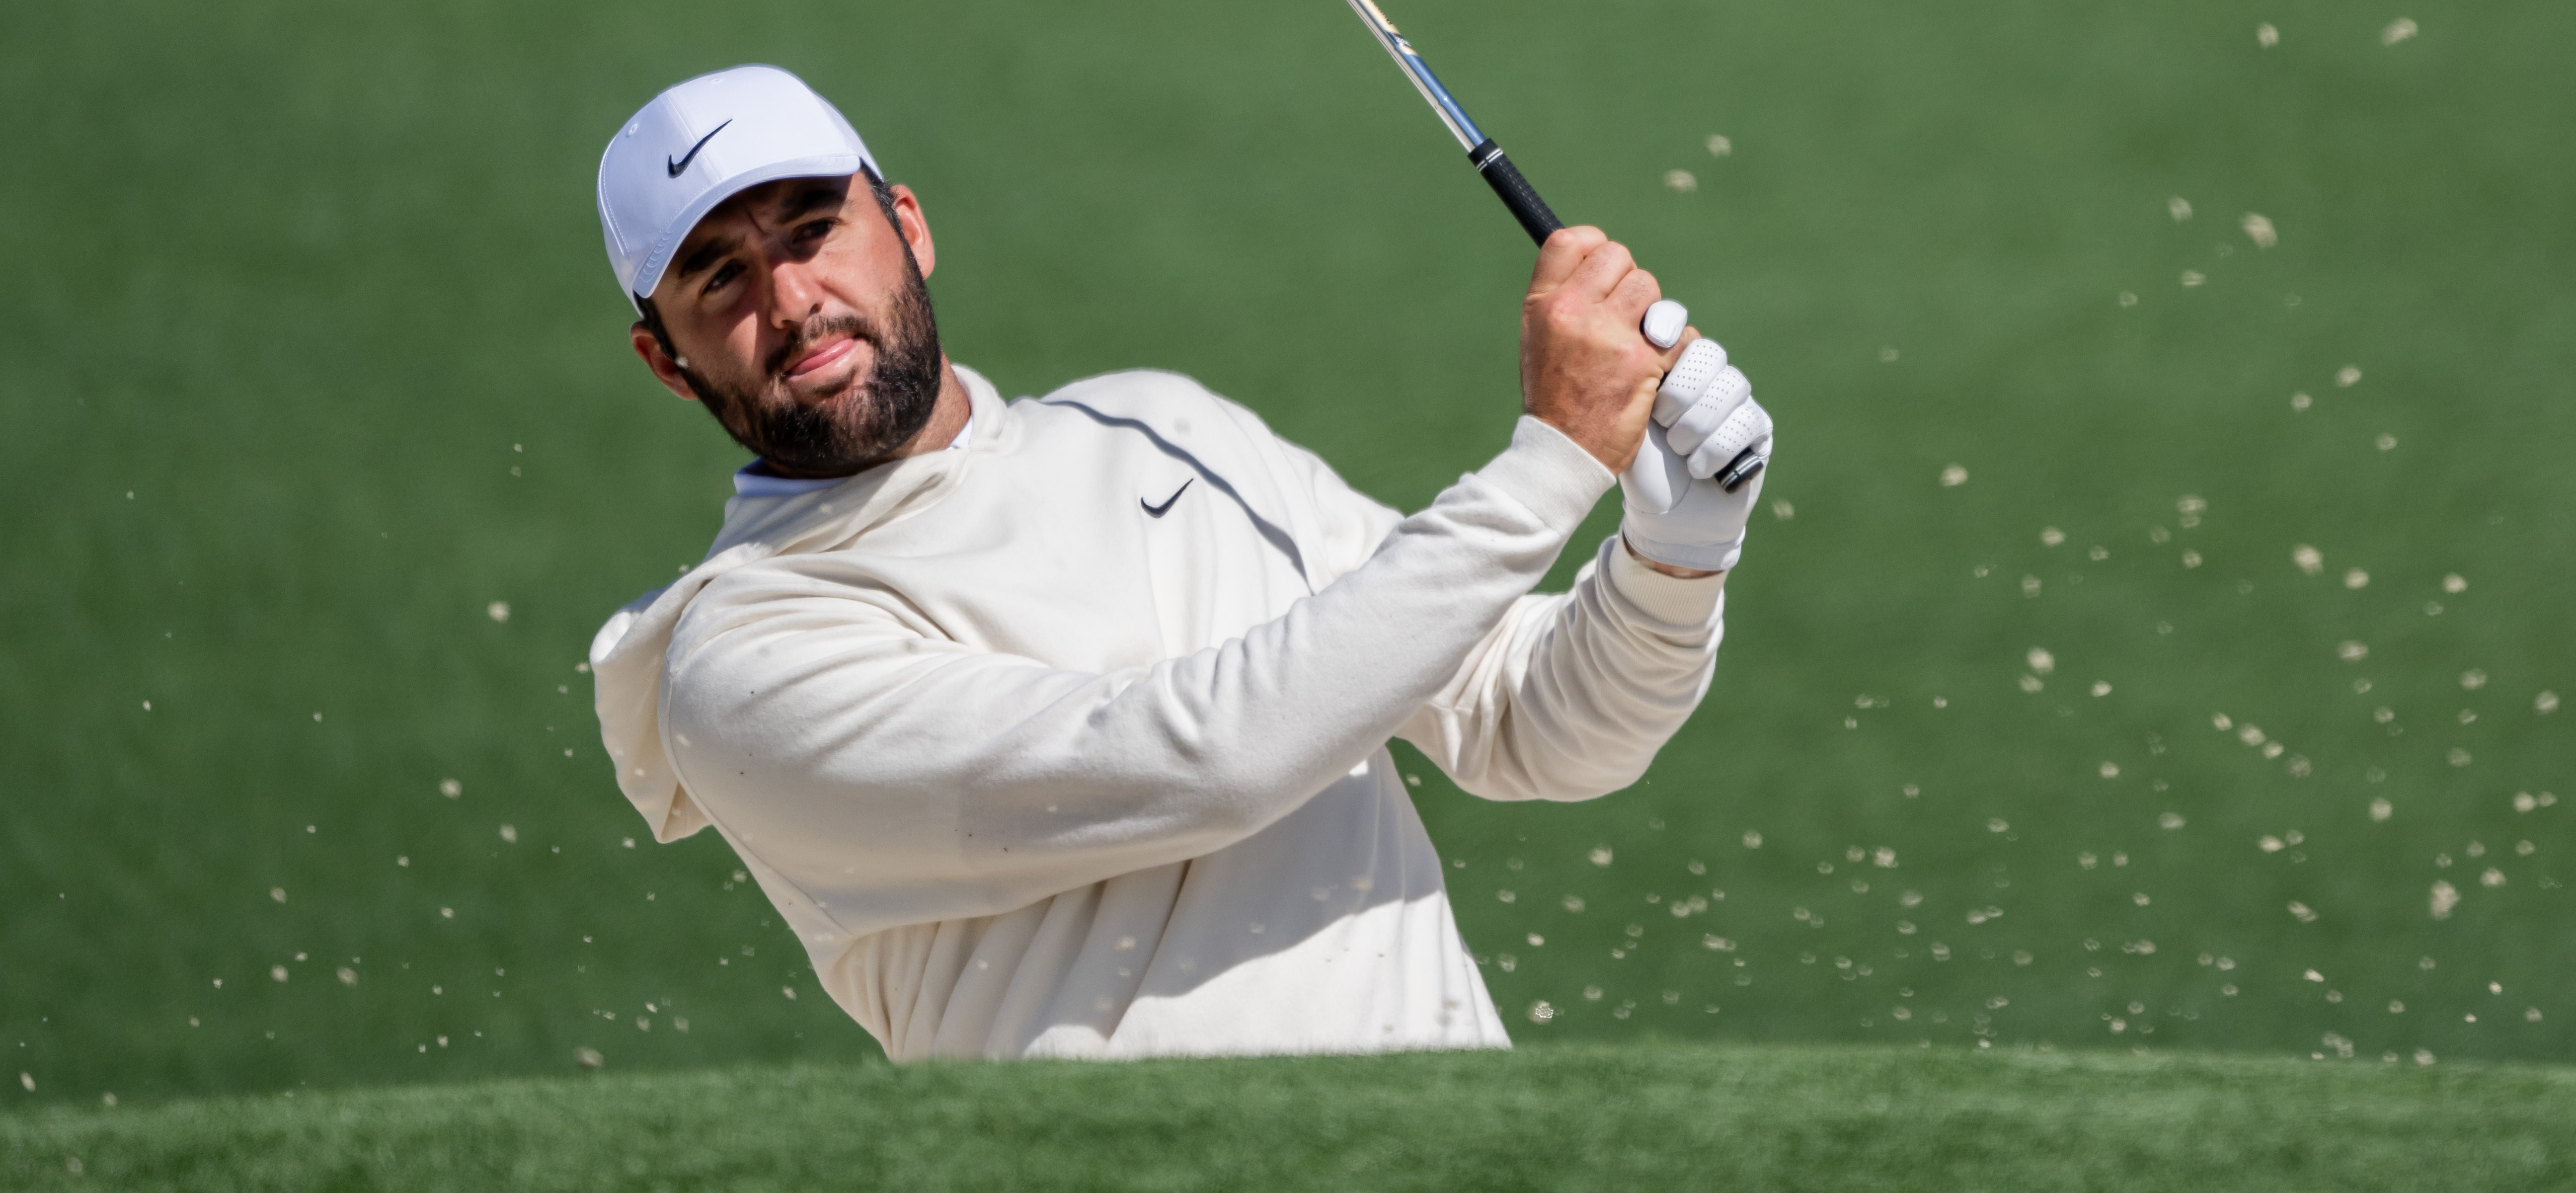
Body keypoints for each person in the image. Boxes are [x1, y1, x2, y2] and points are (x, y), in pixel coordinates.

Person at [585, 65, 1776, 1061]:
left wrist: (1674, 553)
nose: (794, 298)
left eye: (812, 230)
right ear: (661, 357)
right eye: (720, 277)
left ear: (908, 225)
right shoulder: (740, 661)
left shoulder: (1155, 424)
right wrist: (1554, 460)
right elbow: (1197, 758)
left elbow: (1532, 721)